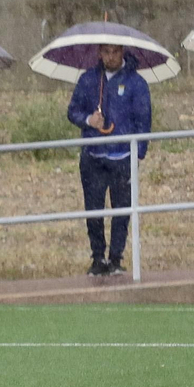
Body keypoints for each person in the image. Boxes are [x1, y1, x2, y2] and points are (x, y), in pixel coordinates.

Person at [67, 43, 152, 277]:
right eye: (106, 52)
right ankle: (97, 257)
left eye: (115, 52)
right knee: (93, 210)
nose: (110, 57)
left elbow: (143, 121)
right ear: (99, 53)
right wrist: (87, 120)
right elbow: (72, 111)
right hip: (93, 156)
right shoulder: (88, 80)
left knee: (121, 210)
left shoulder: (136, 83)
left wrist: (138, 153)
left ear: (122, 52)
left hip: (122, 157)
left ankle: (116, 258)